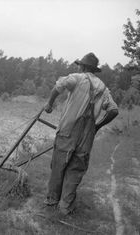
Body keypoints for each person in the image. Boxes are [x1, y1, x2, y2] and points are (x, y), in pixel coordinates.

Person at [44, 52, 119, 217]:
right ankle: (65, 207)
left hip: (67, 131)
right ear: (94, 69)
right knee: (75, 169)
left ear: (83, 66)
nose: (78, 67)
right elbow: (114, 110)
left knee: (58, 166)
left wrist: (49, 104)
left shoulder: (77, 78)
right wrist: (97, 126)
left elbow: (58, 87)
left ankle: (51, 202)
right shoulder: (103, 88)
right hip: (87, 136)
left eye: (80, 65)